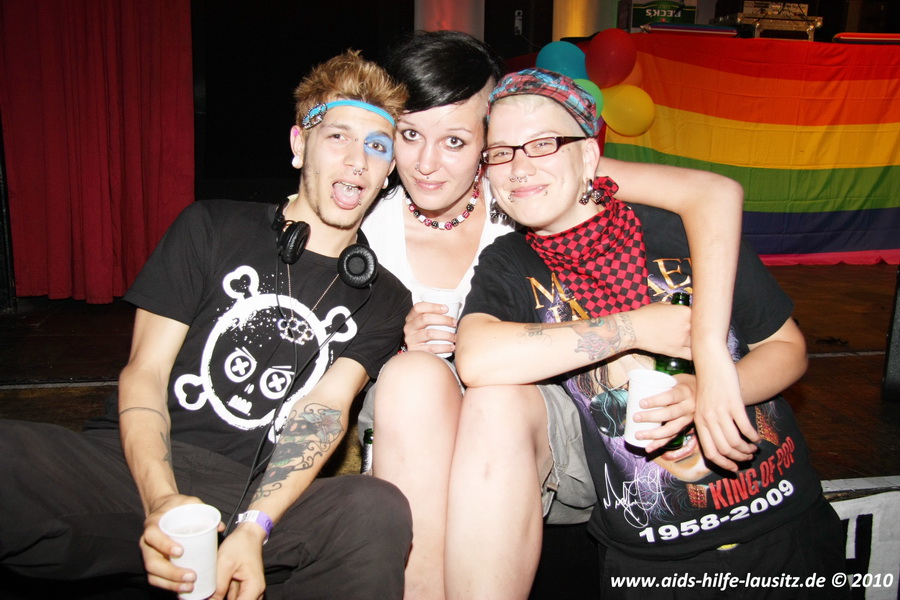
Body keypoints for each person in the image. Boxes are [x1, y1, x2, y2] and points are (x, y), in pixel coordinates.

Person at [0, 51, 414, 600]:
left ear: (388, 172)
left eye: (378, 146)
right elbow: (145, 373)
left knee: (375, 509)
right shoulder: (210, 226)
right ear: (299, 144)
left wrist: (254, 527)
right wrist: (161, 501)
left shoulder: (384, 297)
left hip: (261, 497)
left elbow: (323, 412)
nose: (358, 160)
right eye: (338, 136)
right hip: (138, 466)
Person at [359, 31, 751, 599]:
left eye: (456, 140)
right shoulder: (366, 222)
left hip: (532, 422)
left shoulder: (529, 182)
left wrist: (710, 353)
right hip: (413, 425)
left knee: (496, 399)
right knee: (413, 375)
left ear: (491, 138)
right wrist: (390, 340)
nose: (426, 164)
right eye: (410, 134)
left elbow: (713, 194)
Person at [446, 68, 846, 599]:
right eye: (501, 152)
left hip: (784, 532)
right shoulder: (511, 263)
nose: (520, 167)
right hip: (650, 561)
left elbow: (787, 348)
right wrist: (632, 328)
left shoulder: (680, 228)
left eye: (543, 144)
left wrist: (712, 389)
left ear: (589, 156)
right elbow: (476, 358)